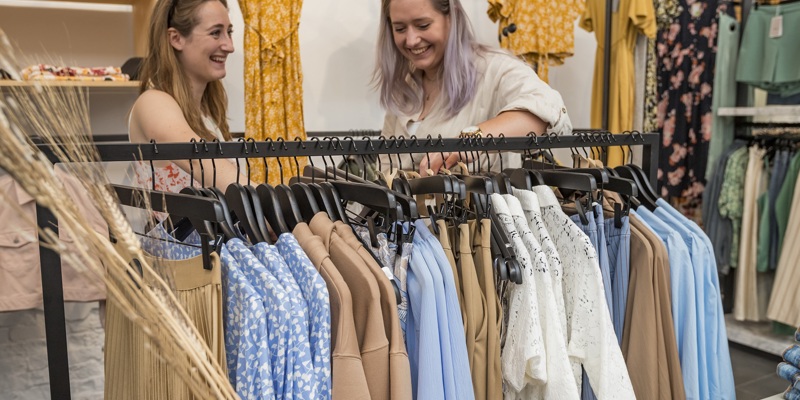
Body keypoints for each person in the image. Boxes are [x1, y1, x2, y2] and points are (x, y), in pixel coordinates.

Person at [373, 0, 572, 175]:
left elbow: (549, 110)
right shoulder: (404, 87)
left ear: (451, 18)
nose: (411, 40)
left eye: (423, 25)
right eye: (399, 29)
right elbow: (385, 170)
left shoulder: (494, 69)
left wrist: (470, 141)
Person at [128, 0, 245, 192]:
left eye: (229, 32)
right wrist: (275, 204)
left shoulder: (208, 114)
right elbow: (202, 164)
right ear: (176, 38)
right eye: (216, 32)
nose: (229, 46)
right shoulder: (153, 103)